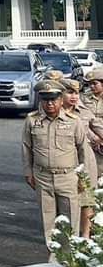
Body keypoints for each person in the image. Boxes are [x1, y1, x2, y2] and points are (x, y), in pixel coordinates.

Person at [23, 79, 89, 253]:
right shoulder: (32, 120)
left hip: (68, 177)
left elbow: (83, 151)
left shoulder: (74, 121)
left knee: (70, 220)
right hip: (43, 176)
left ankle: (70, 257)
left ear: (61, 100)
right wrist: (28, 172)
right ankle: (53, 257)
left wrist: (84, 178)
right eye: (45, 100)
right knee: (48, 220)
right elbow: (26, 147)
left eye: (53, 99)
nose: (49, 103)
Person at [61, 79, 102, 237]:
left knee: (87, 197)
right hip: (64, 159)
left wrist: (97, 138)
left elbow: (96, 127)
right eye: (70, 92)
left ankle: (85, 234)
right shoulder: (54, 112)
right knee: (66, 199)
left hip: (85, 158)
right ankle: (67, 234)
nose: (74, 96)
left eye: (76, 93)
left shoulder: (83, 111)